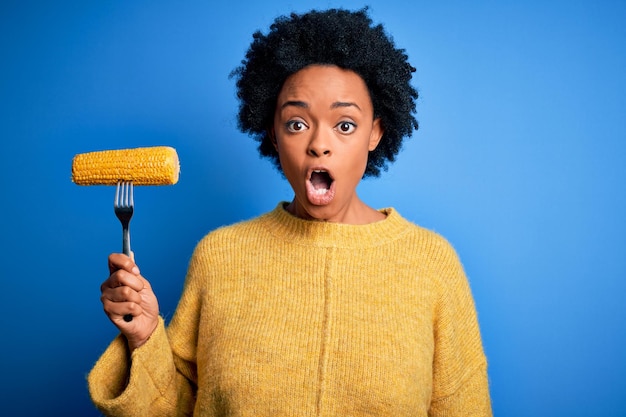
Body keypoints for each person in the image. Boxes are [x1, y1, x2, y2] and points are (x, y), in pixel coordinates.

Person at [88, 7, 492, 416]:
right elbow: (176, 409)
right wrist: (144, 336)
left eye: (345, 125)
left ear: (376, 132)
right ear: (273, 135)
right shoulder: (220, 256)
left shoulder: (432, 264)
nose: (319, 144)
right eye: (296, 124)